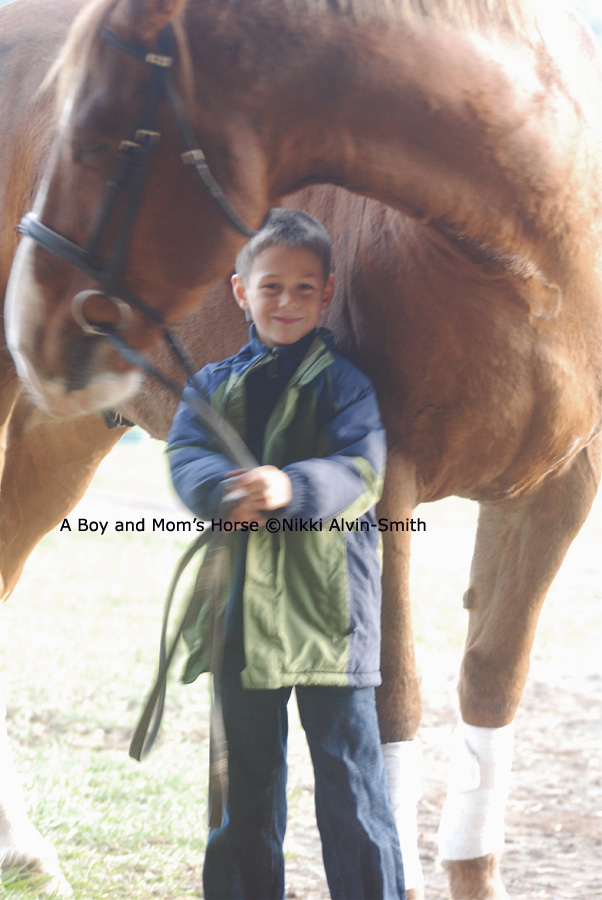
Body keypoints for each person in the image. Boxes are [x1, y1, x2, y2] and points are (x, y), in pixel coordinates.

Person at [167, 208, 405, 900]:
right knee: (243, 793)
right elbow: (187, 454)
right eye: (271, 287)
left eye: (305, 289)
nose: (288, 302)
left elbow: (362, 473)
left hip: (331, 620)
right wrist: (218, 490)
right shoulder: (210, 386)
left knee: (354, 793)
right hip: (240, 620)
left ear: (327, 294)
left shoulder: (348, 386)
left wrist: (290, 486)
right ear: (240, 292)